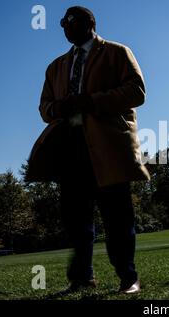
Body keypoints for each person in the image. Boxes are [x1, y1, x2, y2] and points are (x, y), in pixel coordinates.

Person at [26, 6, 149, 294]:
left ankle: (128, 278)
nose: (66, 27)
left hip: (108, 146)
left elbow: (137, 91)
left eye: (71, 21)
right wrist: (59, 107)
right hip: (70, 147)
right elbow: (44, 108)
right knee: (76, 219)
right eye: (62, 24)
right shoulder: (55, 66)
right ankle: (82, 278)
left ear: (90, 23)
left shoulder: (117, 52)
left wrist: (91, 101)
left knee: (117, 216)